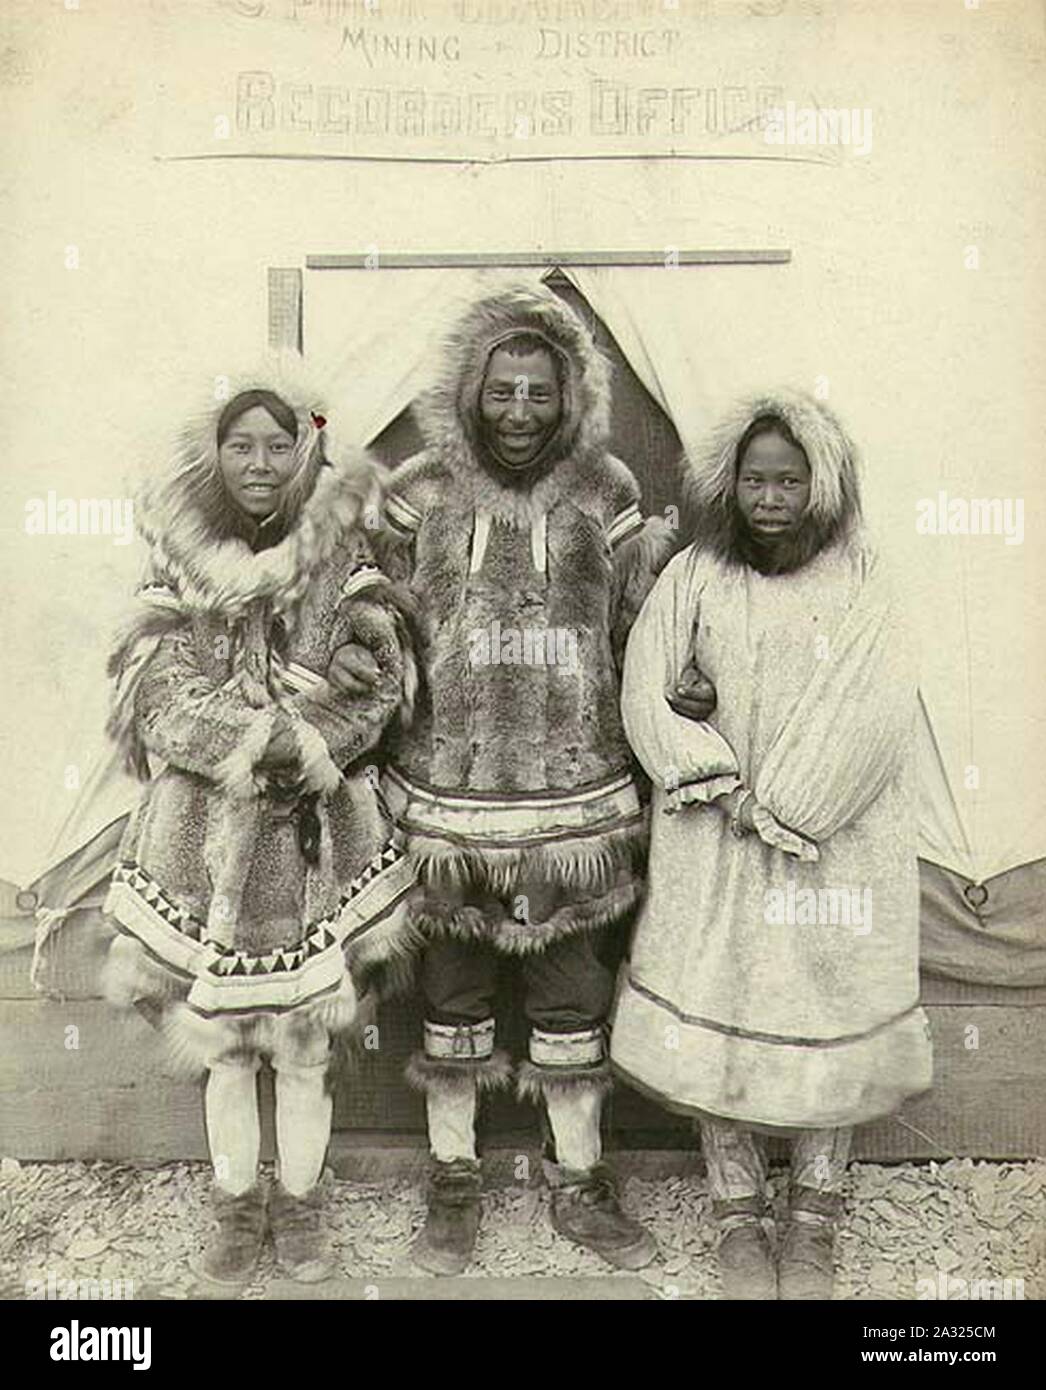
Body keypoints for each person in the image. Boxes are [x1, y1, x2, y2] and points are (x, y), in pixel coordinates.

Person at [367, 284, 674, 1272]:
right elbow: (372, 631)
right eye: (500, 389)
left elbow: (640, 632)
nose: (517, 411)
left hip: (573, 805)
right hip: (446, 802)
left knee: (570, 990)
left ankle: (577, 1176)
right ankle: (452, 1178)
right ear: (468, 390)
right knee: (449, 993)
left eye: (538, 392)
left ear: (570, 396)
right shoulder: (415, 492)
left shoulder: (609, 492)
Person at [611, 390, 933, 1300]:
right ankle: (737, 1210)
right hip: (715, 837)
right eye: (755, 479)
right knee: (723, 1004)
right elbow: (646, 689)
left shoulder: (864, 575)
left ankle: (815, 1215)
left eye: (791, 480)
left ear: (822, 484)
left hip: (829, 846)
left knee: (828, 1005)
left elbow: (874, 704)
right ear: (730, 483)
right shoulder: (697, 576)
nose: (772, 498)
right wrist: (708, 769)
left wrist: (790, 803)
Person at [100, 368, 417, 1286]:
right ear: (215, 453)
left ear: (307, 449)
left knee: (306, 1039)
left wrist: (311, 743)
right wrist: (256, 739)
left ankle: (304, 1206)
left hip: (319, 835)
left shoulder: (347, 565)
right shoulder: (178, 562)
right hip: (203, 836)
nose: (260, 463)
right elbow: (156, 693)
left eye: (279, 444)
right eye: (241, 444)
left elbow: (377, 684)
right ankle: (237, 1203)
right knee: (227, 1044)